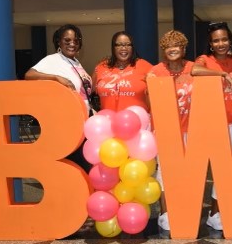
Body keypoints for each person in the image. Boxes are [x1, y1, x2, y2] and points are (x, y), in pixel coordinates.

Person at [191, 22, 232, 231]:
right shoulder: (205, 60)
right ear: (210, 44)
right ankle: (213, 211)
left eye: (224, 39)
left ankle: (220, 211)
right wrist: (221, 74)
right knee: (217, 170)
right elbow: (194, 70)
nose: (221, 43)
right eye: (216, 40)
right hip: (214, 122)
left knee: (230, 171)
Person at [25, 24, 92, 173]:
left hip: (85, 124)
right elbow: (29, 75)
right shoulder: (53, 59)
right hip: (70, 125)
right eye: (67, 40)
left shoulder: (75, 62)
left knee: (85, 168)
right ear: (59, 42)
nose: (72, 44)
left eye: (76, 40)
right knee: (78, 166)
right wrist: (55, 77)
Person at [147, 30, 195, 232]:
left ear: (184, 48)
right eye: (168, 46)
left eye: (176, 45)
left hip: (190, 130)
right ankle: (166, 213)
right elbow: (150, 102)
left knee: (189, 173)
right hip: (165, 131)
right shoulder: (155, 72)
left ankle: (186, 209)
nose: (172, 49)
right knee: (165, 175)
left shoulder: (193, 68)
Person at [92, 31, 153, 112]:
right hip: (108, 122)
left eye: (128, 44)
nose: (124, 48)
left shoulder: (145, 66)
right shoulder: (101, 67)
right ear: (113, 47)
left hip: (137, 122)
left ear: (132, 47)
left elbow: (161, 91)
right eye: (119, 45)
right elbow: (87, 92)